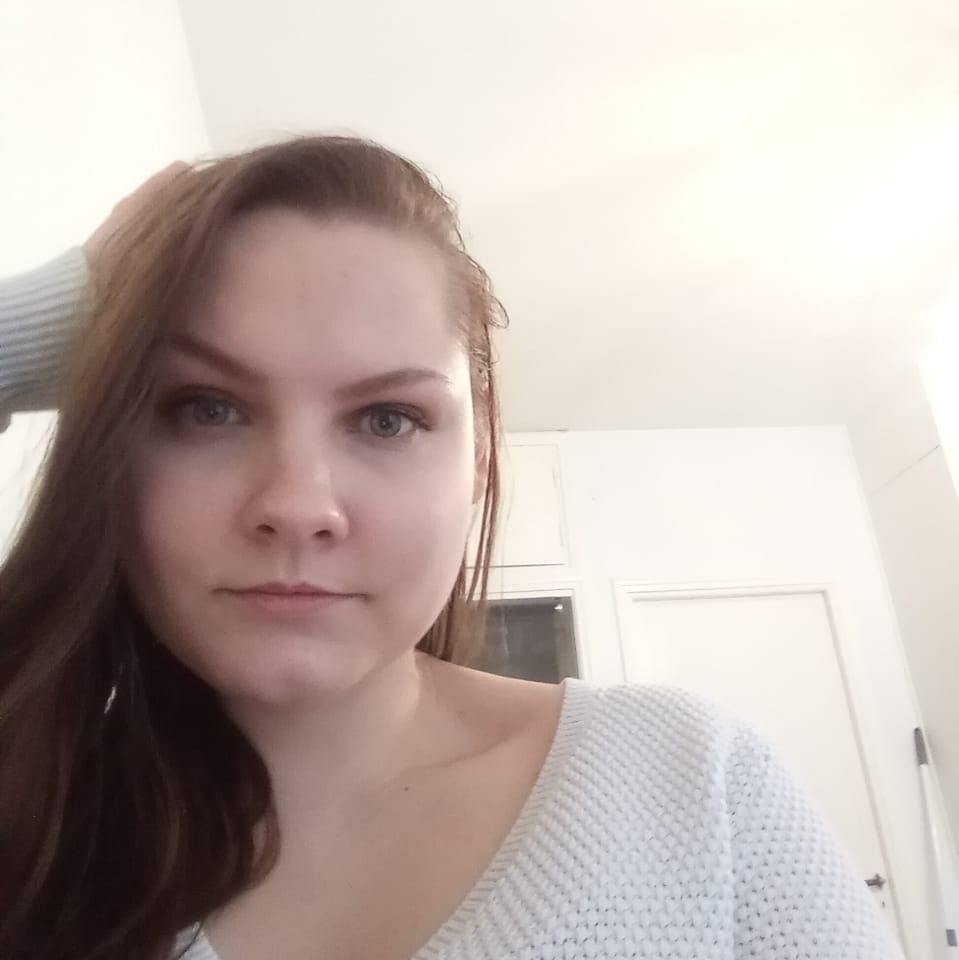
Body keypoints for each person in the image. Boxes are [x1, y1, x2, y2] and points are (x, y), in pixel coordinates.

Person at [0, 136, 901, 960]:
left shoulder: (691, 785)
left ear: (478, 465)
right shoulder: (32, 830)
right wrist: (66, 316)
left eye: (386, 419)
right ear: (112, 446)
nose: (298, 507)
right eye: (206, 408)